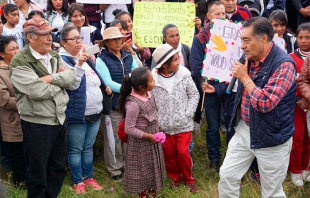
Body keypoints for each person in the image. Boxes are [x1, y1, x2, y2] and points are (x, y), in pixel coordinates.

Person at [218, 17, 297, 198]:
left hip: (272, 137)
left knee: (271, 192)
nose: (242, 46)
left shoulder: (284, 65)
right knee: (227, 175)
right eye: (241, 40)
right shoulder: (247, 59)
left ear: (263, 39)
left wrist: (245, 78)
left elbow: (265, 103)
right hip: (244, 129)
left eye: (247, 40)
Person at [9, 18, 76, 197]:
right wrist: (59, 78)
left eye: (49, 33)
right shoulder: (19, 61)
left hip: (60, 119)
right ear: (30, 37)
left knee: (57, 168)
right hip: (37, 123)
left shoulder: (53, 55)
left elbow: (73, 78)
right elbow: (37, 91)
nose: (49, 38)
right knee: (37, 172)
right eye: (43, 34)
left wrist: (50, 78)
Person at [59, 25, 111, 194]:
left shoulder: (86, 57)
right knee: (76, 149)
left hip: (95, 111)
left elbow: (95, 78)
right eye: (73, 39)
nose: (78, 42)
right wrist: (79, 63)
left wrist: (104, 86)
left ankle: (89, 177)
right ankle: (77, 180)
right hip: (77, 113)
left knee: (88, 147)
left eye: (79, 38)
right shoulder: (63, 61)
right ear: (63, 42)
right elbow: (73, 85)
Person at [151, 44, 199, 193]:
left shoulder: (184, 74)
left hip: (183, 124)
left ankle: (189, 179)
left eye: (179, 59)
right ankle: (175, 178)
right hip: (164, 127)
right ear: (164, 64)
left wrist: (188, 113)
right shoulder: (153, 79)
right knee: (170, 155)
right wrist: (157, 119)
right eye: (175, 60)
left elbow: (194, 94)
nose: (179, 62)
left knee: (183, 152)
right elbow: (150, 101)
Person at [96, 27, 138, 181]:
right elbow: (107, 82)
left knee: (129, 136)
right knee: (114, 137)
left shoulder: (127, 55)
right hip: (113, 104)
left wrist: (133, 52)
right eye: (114, 39)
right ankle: (115, 169)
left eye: (119, 38)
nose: (118, 41)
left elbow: (139, 71)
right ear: (106, 42)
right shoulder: (102, 59)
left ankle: (129, 165)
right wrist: (130, 90)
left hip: (130, 103)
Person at [118, 67, 166, 198]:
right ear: (141, 87)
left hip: (152, 138)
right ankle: (143, 194)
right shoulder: (133, 104)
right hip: (140, 143)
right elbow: (129, 129)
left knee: (151, 168)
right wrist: (149, 136)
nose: (154, 81)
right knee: (141, 170)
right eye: (151, 81)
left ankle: (152, 192)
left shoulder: (149, 94)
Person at [191, 1, 225, 173]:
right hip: (210, 89)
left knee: (232, 125)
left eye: (223, 14)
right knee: (212, 126)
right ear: (209, 16)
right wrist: (207, 83)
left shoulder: (232, 35)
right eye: (217, 14)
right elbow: (196, 67)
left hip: (229, 89)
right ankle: (214, 159)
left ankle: (235, 158)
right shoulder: (200, 38)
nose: (221, 17)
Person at [0, 35, 26, 186]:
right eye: (12, 49)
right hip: (12, 119)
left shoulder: (21, 66)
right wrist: (27, 103)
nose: (17, 51)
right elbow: (3, 99)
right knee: (17, 153)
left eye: (17, 47)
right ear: (2, 54)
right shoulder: (1, 72)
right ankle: (20, 184)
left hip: (28, 118)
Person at [288, 23, 310, 187]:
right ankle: (294, 170)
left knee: (308, 139)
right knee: (298, 138)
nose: (303, 41)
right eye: (300, 37)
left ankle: (305, 168)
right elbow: (289, 83)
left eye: (307, 38)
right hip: (296, 106)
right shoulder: (290, 58)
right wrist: (299, 100)